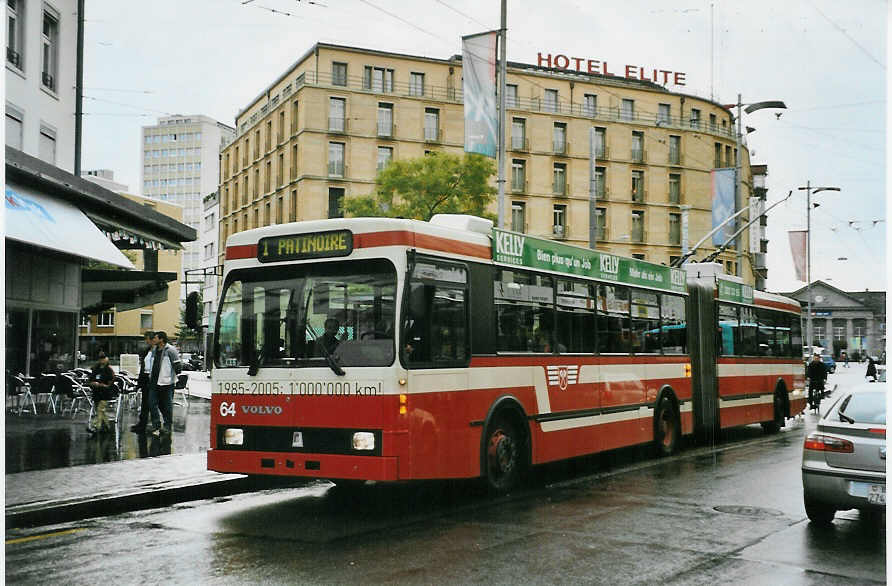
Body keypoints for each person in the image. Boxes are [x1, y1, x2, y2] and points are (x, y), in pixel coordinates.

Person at [148, 331, 182, 437]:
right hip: (154, 382)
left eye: (155, 338)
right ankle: (156, 425)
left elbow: (178, 366)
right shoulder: (154, 350)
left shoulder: (170, 350)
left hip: (167, 383)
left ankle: (167, 426)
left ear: (161, 339)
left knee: (167, 406)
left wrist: (172, 377)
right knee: (152, 403)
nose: (153, 340)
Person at [130, 331, 157, 433]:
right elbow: (143, 367)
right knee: (145, 403)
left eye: (147, 339)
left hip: (153, 380)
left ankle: (155, 425)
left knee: (152, 403)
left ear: (152, 339)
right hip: (146, 379)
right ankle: (142, 424)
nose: (146, 341)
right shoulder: (147, 351)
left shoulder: (158, 351)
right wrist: (139, 382)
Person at [88, 352, 116, 433]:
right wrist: (93, 383)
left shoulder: (109, 370)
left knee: (100, 409)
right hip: (96, 392)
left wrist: (104, 385)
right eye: (101, 358)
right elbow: (90, 380)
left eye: (104, 358)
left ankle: (96, 426)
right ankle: (107, 426)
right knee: (100, 410)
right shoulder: (96, 369)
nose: (102, 360)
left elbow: (111, 381)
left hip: (105, 393)